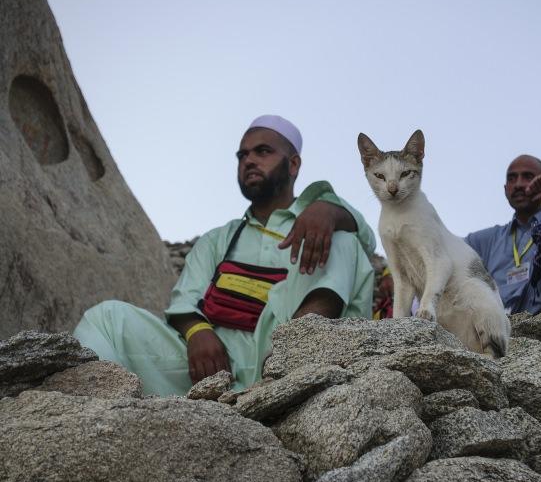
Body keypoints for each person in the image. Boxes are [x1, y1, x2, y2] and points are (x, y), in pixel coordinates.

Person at [74, 115, 375, 396]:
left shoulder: (326, 221)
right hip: (214, 370)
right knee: (106, 318)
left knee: (343, 241)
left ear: (293, 164)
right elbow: (185, 299)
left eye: (263, 152)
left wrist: (330, 211)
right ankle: (96, 417)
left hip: (287, 357)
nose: (249, 161)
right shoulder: (218, 240)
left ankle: (295, 357)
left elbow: (366, 242)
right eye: (242, 156)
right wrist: (197, 331)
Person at [466, 154, 541, 315]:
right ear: (505, 189)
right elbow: (443, 250)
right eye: (512, 178)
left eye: (528, 176)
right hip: (497, 328)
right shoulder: (488, 240)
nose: (519, 184)